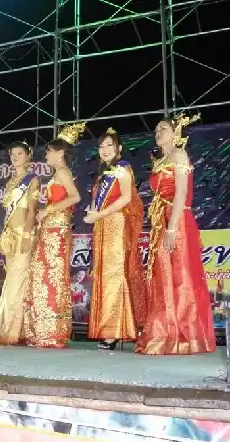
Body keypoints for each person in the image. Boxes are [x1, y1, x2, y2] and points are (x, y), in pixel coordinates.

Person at [135, 114, 216, 355]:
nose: (158, 133)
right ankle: (165, 331)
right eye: (156, 129)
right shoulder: (160, 160)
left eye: (163, 128)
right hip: (161, 219)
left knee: (181, 274)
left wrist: (171, 227)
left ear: (175, 133)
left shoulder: (180, 155)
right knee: (163, 274)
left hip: (177, 219)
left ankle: (184, 335)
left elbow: (181, 193)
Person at [83, 128, 147, 350]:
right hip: (102, 225)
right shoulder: (102, 174)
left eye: (109, 145)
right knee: (103, 275)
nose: (105, 149)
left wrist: (100, 214)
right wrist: (93, 213)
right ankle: (108, 327)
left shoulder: (122, 168)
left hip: (116, 224)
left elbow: (127, 197)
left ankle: (114, 331)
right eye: (101, 146)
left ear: (119, 148)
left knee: (114, 274)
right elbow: (97, 201)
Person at [23, 123, 84, 348]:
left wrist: (48, 210)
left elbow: (75, 197)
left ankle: (51, 331)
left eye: (49, 151)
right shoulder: (58, 174)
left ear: (59, 153)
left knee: (52, 277)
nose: (46, 155)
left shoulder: (63, 172)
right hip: (50, 229)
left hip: (57, 230)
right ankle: (45, 330)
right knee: (44, 276)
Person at [0, 142, 40, 345]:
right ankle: (9, 327)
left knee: (18, 282)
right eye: (12, 154)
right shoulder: (10, 182)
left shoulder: (32, 180)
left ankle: (13, 330)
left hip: (23, 234)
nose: (15, 157)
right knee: (11, 280)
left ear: (28, 156)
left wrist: (27, 235)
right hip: (10, 235)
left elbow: (32, 210)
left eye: (20, 153)